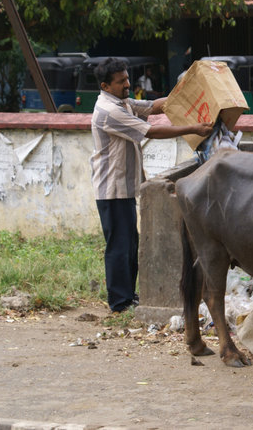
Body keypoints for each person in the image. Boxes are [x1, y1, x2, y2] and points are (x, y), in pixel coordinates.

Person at [90, 57, 213, 313]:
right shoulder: (109, 111)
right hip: (112, 189)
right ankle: (119, 302)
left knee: (130, 243)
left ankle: (128, 295)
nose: (127, 83)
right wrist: (192, 127)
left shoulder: (121, 102)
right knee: (119, 246)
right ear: (105, 85)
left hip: (124, 186)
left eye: (126, 78)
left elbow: (154, 107)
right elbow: (150, 131)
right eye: (121, 81)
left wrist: (185, 93)